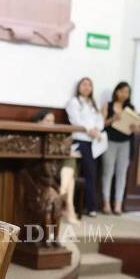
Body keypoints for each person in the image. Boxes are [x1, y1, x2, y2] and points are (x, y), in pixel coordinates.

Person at [65, 77, 104, 217]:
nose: (87, 87)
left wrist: (97, 129)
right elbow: (76, 120)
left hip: (95, 142)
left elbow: (100, 120)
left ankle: (90, 206)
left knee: (93, 174)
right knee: (88, 173)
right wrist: (89, 130)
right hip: (80, 140)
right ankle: (88, 207)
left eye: (89, 85)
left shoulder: (94, 103)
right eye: (84, 84)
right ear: (79, 87)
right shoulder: (74, 102)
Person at [35, 109, 80, 224]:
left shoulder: (57, 134)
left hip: (57, 167)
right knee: (71, 179)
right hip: (44, 167)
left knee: (71, 159)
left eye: (52, 121)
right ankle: (70, 208)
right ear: (39, 121)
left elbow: (62, 150)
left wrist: (68, 152)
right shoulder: (35, 136)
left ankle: (63, 190)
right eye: (47, 121)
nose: (51, 124)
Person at [102, 82, 139, 215]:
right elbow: (101, 124)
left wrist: (135, 128)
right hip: (110, 141)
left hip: (125, 143)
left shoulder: (131, 108)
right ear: (116, 91)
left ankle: (118, 204)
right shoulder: (108, 105)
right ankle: (106, 203)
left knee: (122, 173)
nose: (124, 94)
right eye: (122, 91)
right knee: (108, 172)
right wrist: (113, 119)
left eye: (127, 92)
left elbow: (137, 127)